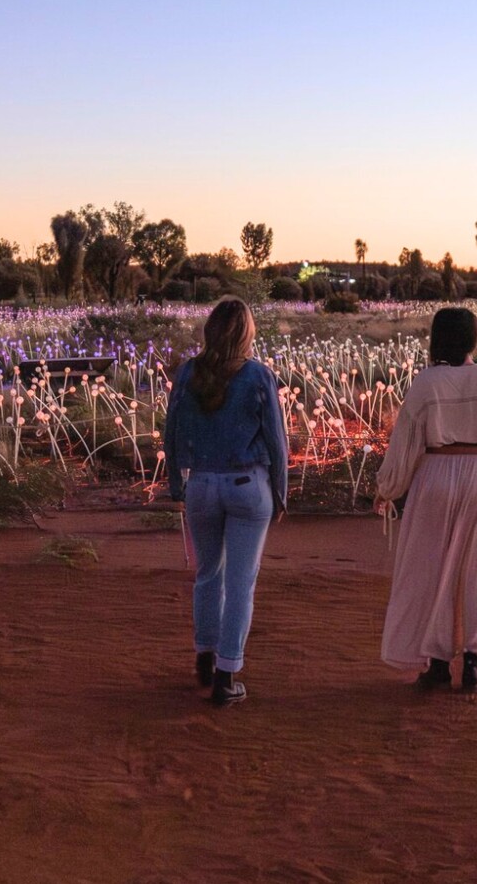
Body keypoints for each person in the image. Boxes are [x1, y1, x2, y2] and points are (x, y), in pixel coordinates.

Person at [375, 307, 477, 693]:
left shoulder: (425, 383)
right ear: (472, 339)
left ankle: (435, 663)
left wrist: (388, 487)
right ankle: (472, 661)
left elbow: (405, 445)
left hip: (434, 476)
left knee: (431, 571)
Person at [163, 299, 288, 706]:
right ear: (247, 334)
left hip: (201, 484)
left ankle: (204, 655)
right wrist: (282, 492)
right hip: (247, 485)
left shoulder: (188, 373)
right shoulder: (257, 376)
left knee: (207, 576)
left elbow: (172, 431)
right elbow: (276, 441)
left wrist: (175, 484)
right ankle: (226, 674)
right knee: (240, 585)